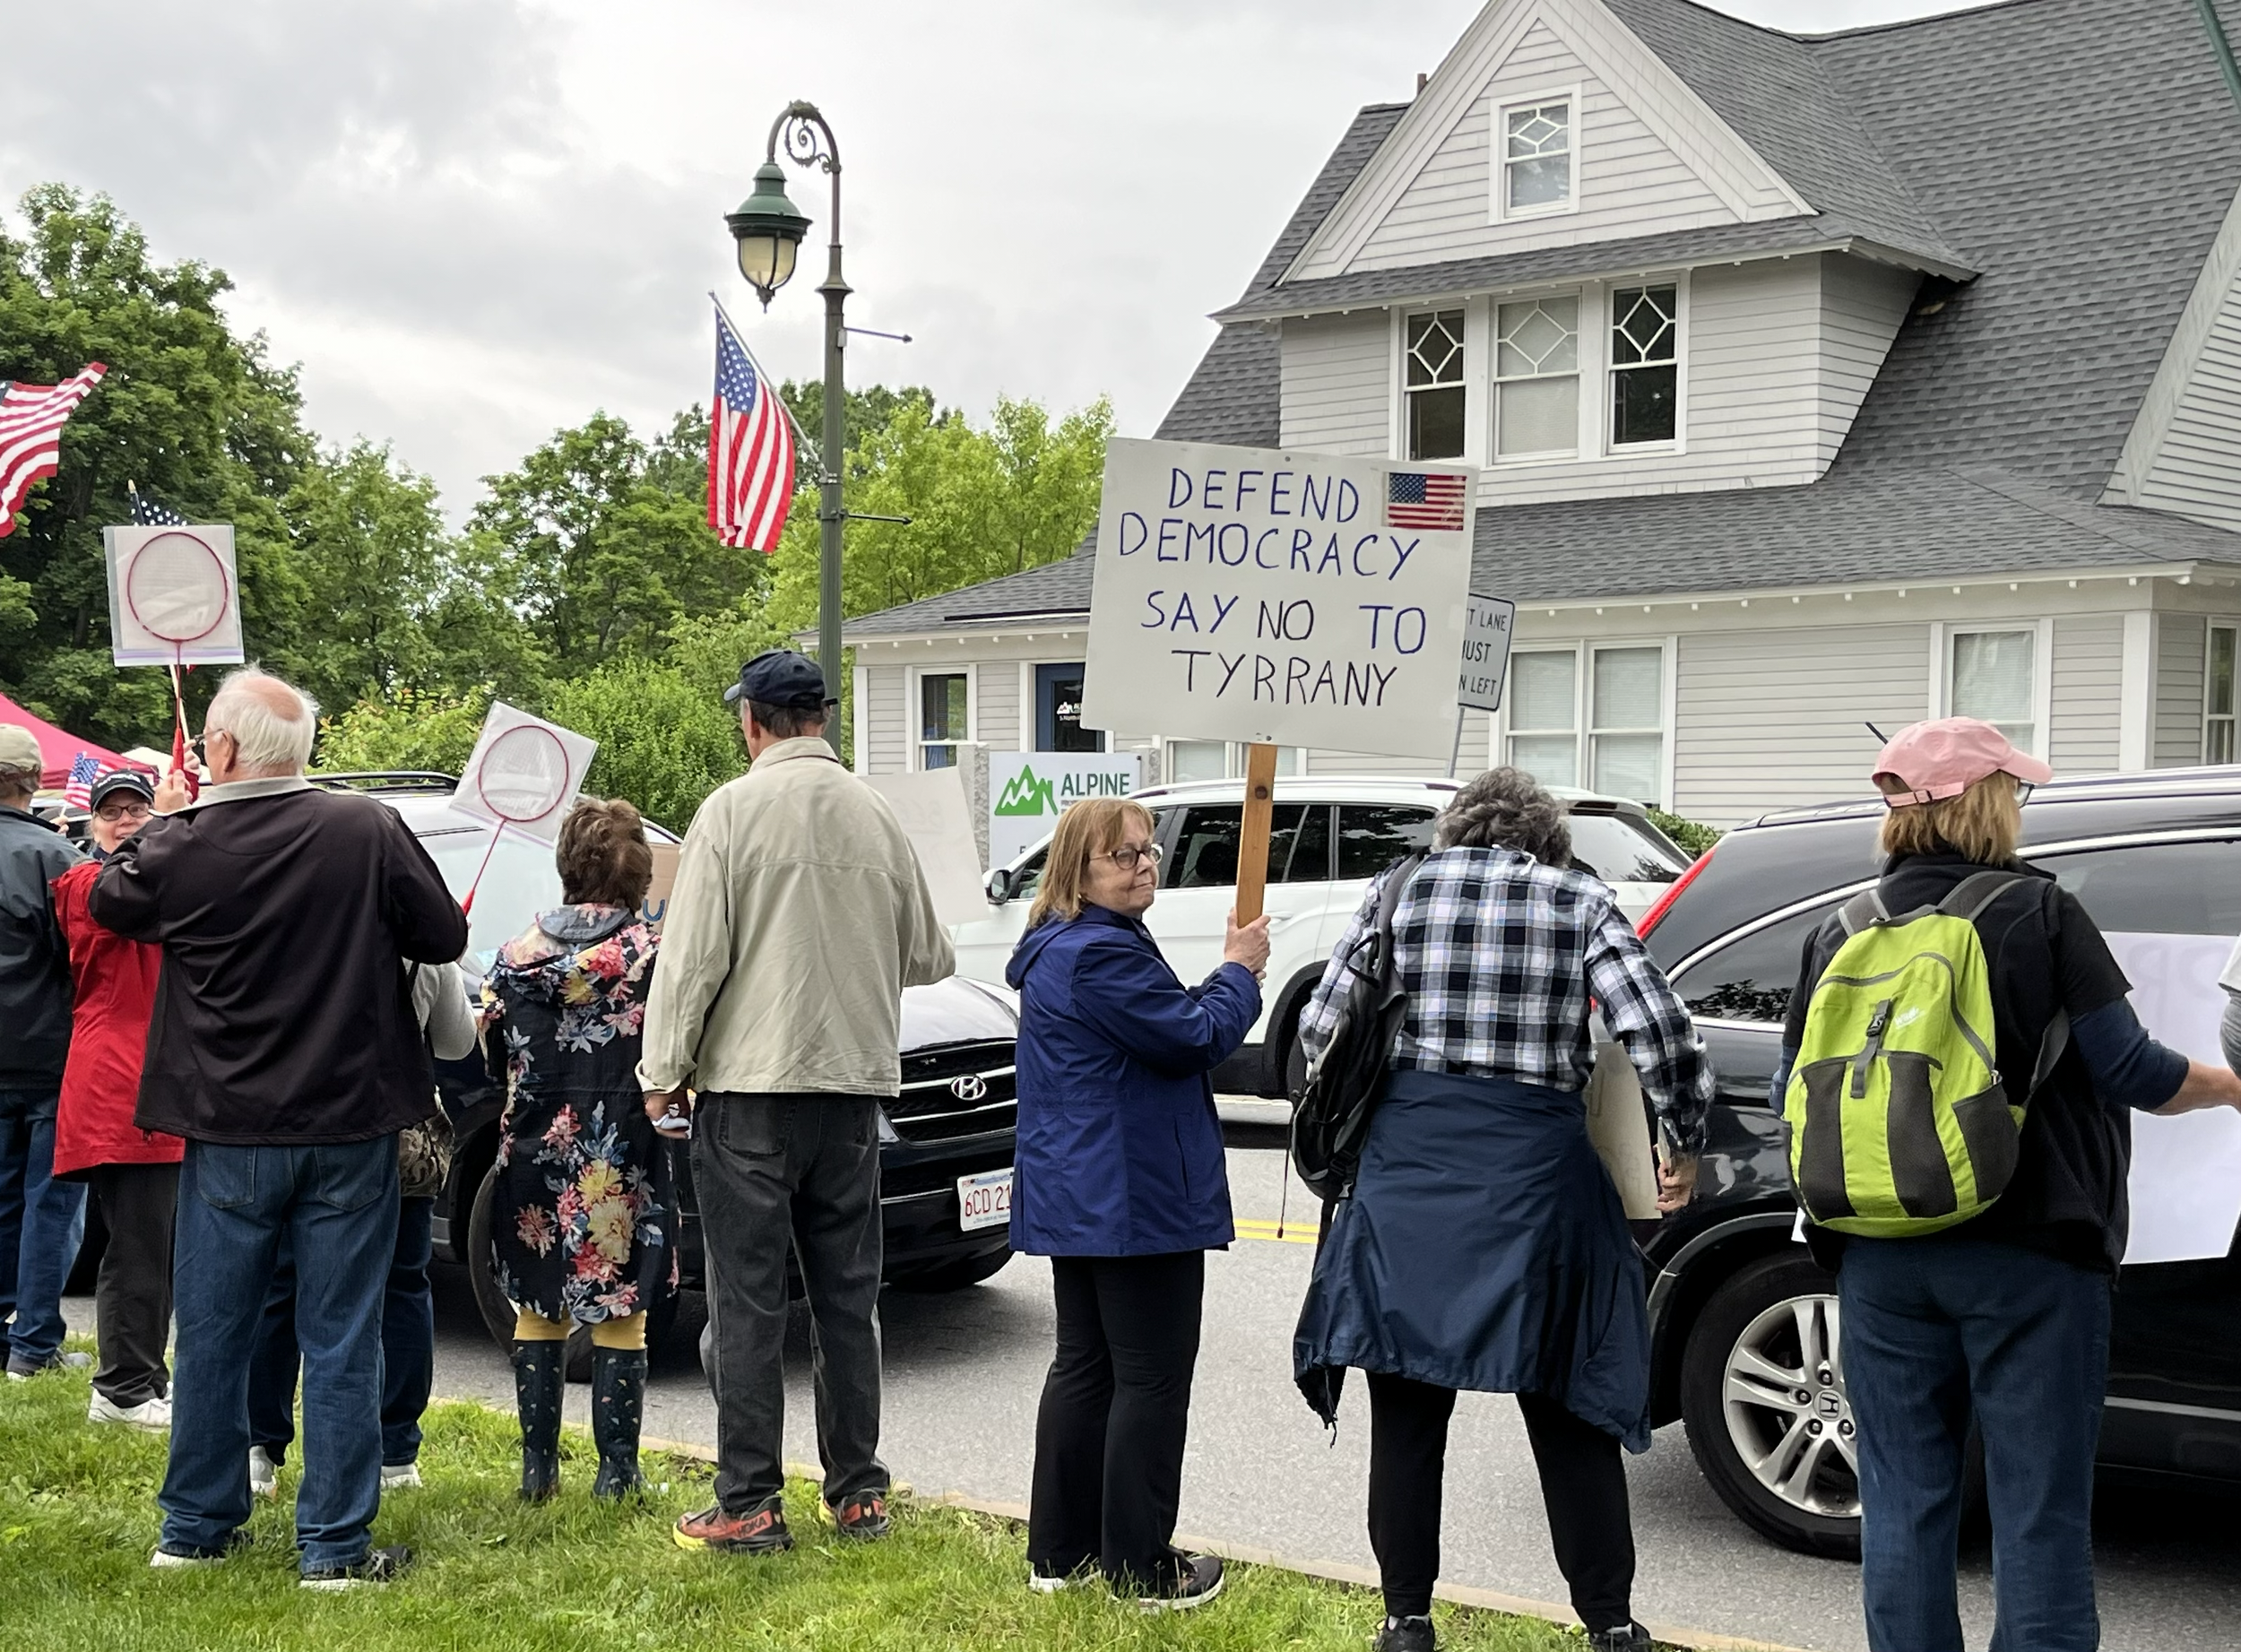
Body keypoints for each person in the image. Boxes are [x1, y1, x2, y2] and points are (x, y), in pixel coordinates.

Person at [1776, 718, 2241, 1652]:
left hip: (1877, 1253)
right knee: (2039, 1512)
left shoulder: (1840, 925)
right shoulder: (2039, 913)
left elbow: (1803, 1077)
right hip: (2032, 1255)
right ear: (1989, 801)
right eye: (2014, 791)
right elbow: (2131, 1071)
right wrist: (2228, 1083)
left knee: (1904, 1505)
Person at [1293, 767, 1711, 1652]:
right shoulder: (1577, 900)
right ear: (1547, 840)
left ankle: (1405, 1620)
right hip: (1533, 1185)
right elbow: (1658, 1027)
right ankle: (1610, 1623)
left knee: (1407, 1414)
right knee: (1569, 1405)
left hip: (1408, 1182)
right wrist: (1680, 1128)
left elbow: (1319, 1030)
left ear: (1455, 831)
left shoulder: (1395, 892)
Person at [89, 669, 467, 1587]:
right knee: (342, 1331)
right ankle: (332, 1548)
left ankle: (193, 1527)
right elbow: (444, 938)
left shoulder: (184, 841)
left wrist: (169, 818)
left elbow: (111, 900)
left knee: (214, 1328)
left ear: (219, 751)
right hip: (349, 1120)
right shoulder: (365, 826)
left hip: (226, 1125)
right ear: (303, 751)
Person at [641, 650, 952, 1556]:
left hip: (750, 1087)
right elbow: (930, 954)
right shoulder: (876, 811)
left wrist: (662, 1067)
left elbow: (694, 956)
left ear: (752, 721)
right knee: (849, 1300)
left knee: (748, 1303)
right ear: (818, 716)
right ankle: (857, 1491)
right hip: (852, 1087)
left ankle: (748, 1500)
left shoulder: (731, 811)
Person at [1005, 796, 1268, 1609]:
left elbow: (1159, 1026)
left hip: (1088, 1191)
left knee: (1087, 1367)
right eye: (1123, 855)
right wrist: (1239, 973)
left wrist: (1208, 989)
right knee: (1149, 1377)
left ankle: (1061, 1550)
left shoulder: (1069, 945)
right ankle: (1140, 1567)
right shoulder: (1097, 953)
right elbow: (1192, 1037)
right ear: (1078, 870)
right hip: (1131, 1194)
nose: (1145, 864)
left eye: (1149, 851)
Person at [481, 797, 669, 1501]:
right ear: (640, 874)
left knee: (537, 1300)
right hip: (619, 1156)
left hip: (531, 1149)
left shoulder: (510, 958)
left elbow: (493, 1053)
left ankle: (538, 1471)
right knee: (622, 1307)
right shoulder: (653, 954)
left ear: (565, 867)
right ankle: (617, 1472)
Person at [246, 948, 477, 1496]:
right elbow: (457, 1042)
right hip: (398, 1136)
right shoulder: (419, 943)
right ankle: (395, 1450)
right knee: (401, 1286)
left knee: (282, 1285)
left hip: (299, 1122)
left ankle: (260, 1447)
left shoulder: (297, 920)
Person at [49, 768, 182, 1427]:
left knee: (156, 1242)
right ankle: (123, 1386)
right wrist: (163, 826)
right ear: (93, 822)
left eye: (138, 809)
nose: (126, 820)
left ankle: (145, 1376)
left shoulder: (161, 885)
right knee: (136, 1243)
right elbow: (112, 895)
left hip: (155, 1082)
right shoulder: (83, 883)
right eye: (114, 812)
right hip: (118, 1084)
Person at [0, 722, 88, 1384]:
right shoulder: (57, 860)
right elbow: (85, 960)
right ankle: (32, 1341)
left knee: (6, 1198)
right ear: (33, 781)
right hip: (51, 1055)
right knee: (51, 1203)